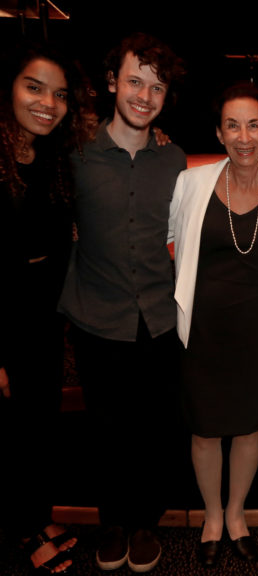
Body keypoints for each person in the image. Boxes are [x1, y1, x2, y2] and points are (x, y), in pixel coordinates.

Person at [57, 32, 187, 573]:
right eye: (135, 81)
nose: (144, 95)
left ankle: (143, 523)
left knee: (154, 427)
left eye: (156, 87)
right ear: (113, 83)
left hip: (158, 316)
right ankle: (112, 520)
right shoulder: (77, 154)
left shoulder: (174, 158)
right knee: (105, 426)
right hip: (96, 315)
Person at [168, 82, 258, 567]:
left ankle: (236, 514)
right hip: (202, 329)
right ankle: (209, 516)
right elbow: (168, 238)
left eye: (253, 125)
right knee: (205, 430)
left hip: (257, 330)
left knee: (249, 427)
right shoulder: (191, 183)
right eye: (232, 125)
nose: (243, 136)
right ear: (219, 133)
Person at [0, 40, 91, 576]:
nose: (47, 103)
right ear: (8, 88)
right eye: (33, 88)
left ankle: (34, 516)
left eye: (58, 94)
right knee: (10, 431)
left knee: (36, 425)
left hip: (42, 313)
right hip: (4, 317)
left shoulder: (49, 155)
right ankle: (18, 534)